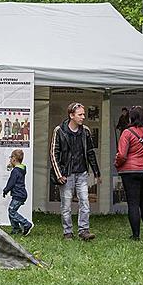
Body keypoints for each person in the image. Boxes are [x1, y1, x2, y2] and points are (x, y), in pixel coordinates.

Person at [50, 102, 100, 241]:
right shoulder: (59, 130)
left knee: (85, 201)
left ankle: (84, 230)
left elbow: (90, 152)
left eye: (83, 114)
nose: (83, 117)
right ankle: (68, 232)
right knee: (66, 205)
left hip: (82, 172)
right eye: (80, 114)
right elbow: (53, 153)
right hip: (67, 174)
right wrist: (59, 174)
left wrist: (96, 172)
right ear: (71, 115)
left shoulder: (86, 131)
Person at [114, 106, 143, 240]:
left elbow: (122, 154)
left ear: (131, 118)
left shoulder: (127, 133)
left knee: (133, 203)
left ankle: (136, 235)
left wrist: (117, 164)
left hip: (131, 171)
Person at [2, 149, 33, 236]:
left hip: (18, 195)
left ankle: (26, 224)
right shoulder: (21, 169)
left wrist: (5, 190)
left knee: (12, 211)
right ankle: (16, 229)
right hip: (21, 194)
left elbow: (11, 183)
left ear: (14, 159)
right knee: (12, 210)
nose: (10, 160)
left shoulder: (15, 171)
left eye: (10, 158)